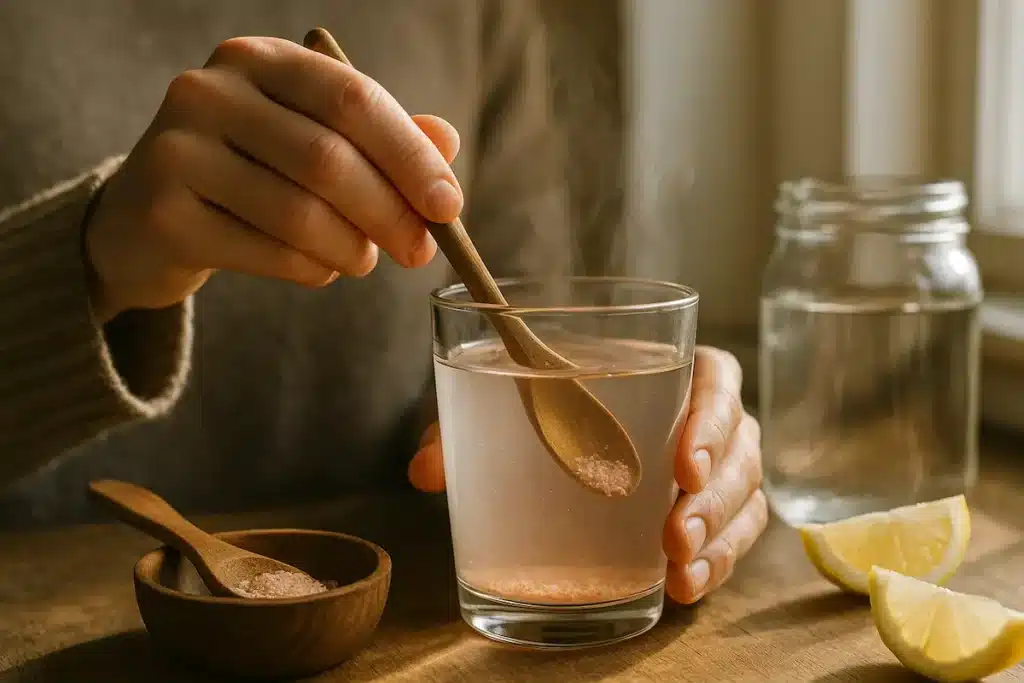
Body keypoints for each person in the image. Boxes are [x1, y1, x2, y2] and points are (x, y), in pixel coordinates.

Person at [0, 0, 766, 605]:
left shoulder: (479, 10)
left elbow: (515, 333)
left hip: (384, 624)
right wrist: (88, 257)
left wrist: (680, 425)